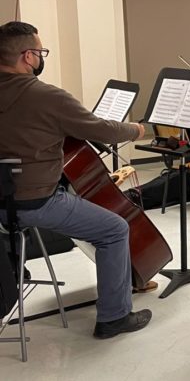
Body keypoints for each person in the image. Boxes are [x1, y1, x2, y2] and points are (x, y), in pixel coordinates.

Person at [0, 21, 152, 339]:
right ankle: (114, 317)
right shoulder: (45, 95)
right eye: (40, 52)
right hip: (34, 202)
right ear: (28, 56)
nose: (42, 57)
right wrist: (137, 130)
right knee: (114, 229)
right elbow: (103, 131)